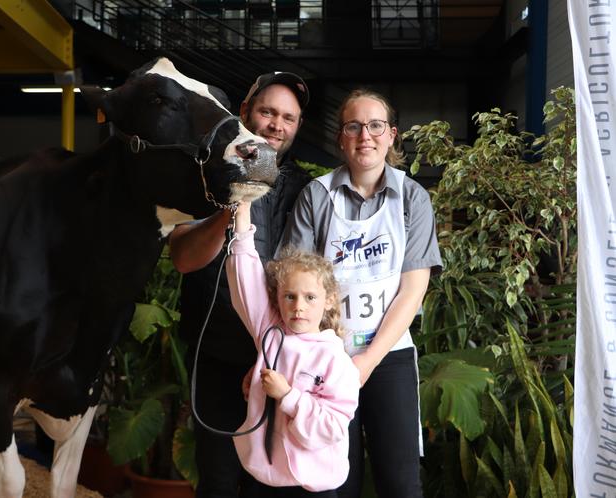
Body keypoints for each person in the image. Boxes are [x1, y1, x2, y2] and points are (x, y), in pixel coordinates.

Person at [278, 89, 443, 498]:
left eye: (375, 126)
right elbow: (291, 278)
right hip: (324, 358)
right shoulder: (316, 196)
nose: (364, 135)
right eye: (353, 126)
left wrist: (367, 361)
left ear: (392, 136)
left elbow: (413, 288)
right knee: (332, 482)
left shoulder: (412, 197)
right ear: (341, 137)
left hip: (389, 356)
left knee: (401, 483)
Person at [170, 72, 313, 498]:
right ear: (245, 112)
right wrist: (236, 200)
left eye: (288, 117)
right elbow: (183, 258)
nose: (277, 124)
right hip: (216, 354)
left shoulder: (306, 189)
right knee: (216, 480)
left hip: (277, 363)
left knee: (268, 484)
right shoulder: (204, 174)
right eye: (268, 112)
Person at [226, 201, 360, 498]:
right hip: (264, 481)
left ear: (328, 300)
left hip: (313, 487)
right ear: (278, 299)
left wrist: (288, 396)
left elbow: (332, 425)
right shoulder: (271, 334)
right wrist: (243, 212)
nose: (298, 306)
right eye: (290, 296)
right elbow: (245, 277)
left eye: (310, 297)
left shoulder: (336, 360)